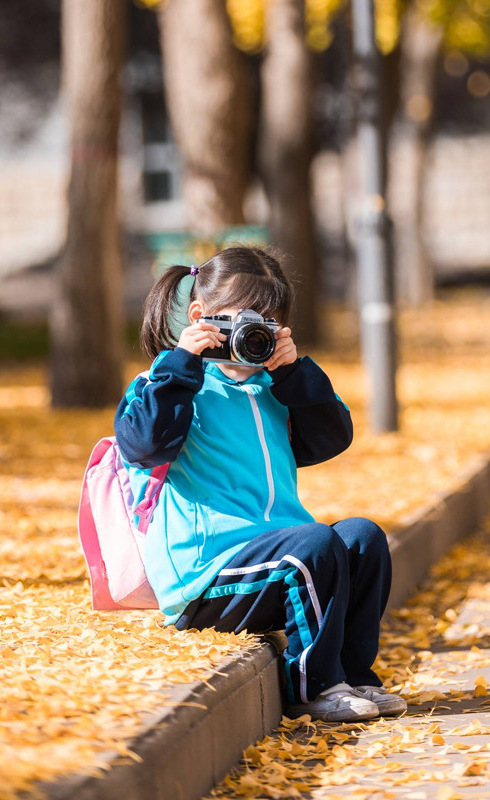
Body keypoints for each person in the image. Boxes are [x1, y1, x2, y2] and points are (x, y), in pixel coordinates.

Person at [114, 246, 406, 723]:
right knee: (313, 544)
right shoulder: (167, 383)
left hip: (280, 562)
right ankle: (314, 687)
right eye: (241, 320)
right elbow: (144, 446)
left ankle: (354, 678)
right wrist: (181, 364)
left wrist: (293, 373)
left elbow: (331, 439)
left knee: (362, 537)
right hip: (208, 576)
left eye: (268, 322)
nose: (254, 332)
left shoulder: (276, 388)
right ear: (200, 318)